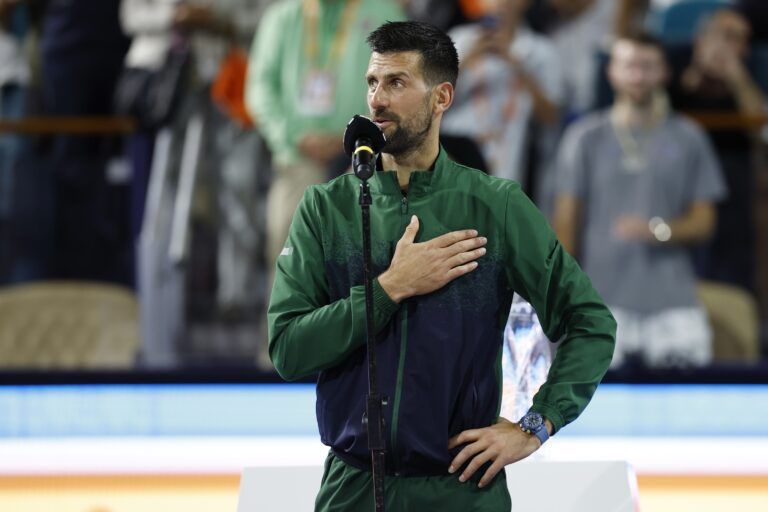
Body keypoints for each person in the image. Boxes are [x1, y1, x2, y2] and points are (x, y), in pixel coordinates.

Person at [268, 20, 616, 511]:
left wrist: (535, 426)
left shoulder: (496, 205)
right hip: (352, 488)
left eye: (396, 83)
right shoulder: (326, 208)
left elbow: (590, 322)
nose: (377, 100)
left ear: (442, 98)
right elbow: (288, 350)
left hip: (462, 489)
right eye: (372, 82)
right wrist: (389, 289)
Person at [552, 33, 726, 369]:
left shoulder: (689, 136)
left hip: (674, 304)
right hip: (600, 300)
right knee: (590, 397)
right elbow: (565, 224)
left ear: (665, 72)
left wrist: (657, 229)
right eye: (629, 65)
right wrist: (563, 298)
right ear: (612, 72)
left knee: (689, 395)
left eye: (648, 66)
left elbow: (705, 222)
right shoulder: (584, 137)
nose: (638, 75)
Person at [246, 0, 404, 368]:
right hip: (297, 156)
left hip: (366, 155)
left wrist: (365, 137)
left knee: (370, 251)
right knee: (286, 246)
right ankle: (278, 357)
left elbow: (404, 86)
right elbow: (260, 88)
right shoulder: (282, 18)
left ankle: (367, 358)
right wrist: (291, 135)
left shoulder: (384, 11)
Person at [668, 8, 765, 294]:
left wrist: (737, 77)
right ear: (701, 39)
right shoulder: (674, 64)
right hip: (676, 166)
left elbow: (761, 130)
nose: (731, 45)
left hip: (733, 170)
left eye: (740, 39)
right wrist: (695, 75)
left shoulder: (753, 72)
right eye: (725, 35)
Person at [441, 0, 563, 187]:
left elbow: (552, 116)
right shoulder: (459, 39)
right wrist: (468, 58)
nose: (500, 3)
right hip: (453, 152)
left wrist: (516, 65)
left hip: (507, 160)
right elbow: (427, 102)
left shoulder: (541, 51)